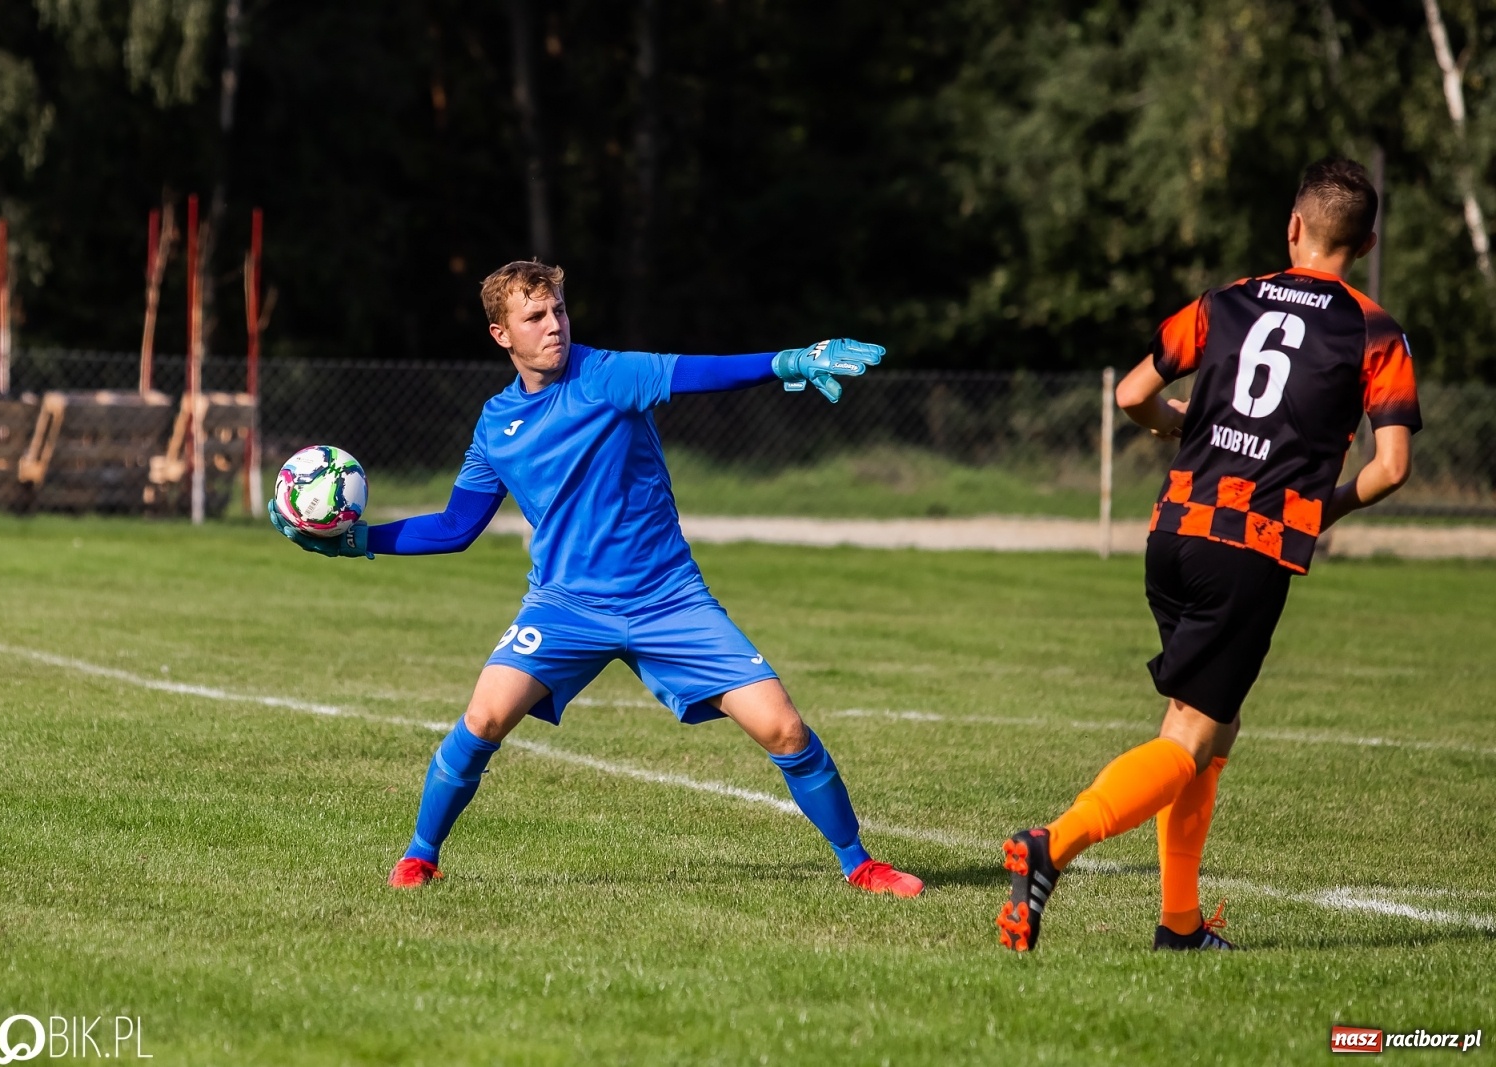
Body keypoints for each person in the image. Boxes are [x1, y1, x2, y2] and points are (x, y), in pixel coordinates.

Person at [269, 259, 924, 898]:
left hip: (668, 599)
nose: (554, 324)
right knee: (484, 717)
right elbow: (455, 526)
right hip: (565, 607)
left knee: (784, 729)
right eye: (534, 316)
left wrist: (790, 361)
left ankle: (860, 865)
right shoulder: (497, 425)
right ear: (501, 334)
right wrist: (356, 541)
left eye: (558, 310)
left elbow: (698, 373)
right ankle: (420, 856)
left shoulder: (607, 375)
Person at [996, 158, 1421, 952]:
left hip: (1174, 532)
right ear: (1365, 244)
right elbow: (1391, 466)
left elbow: (1131, 394)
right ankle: (1053, 844)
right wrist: (1323, 507)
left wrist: (1172, 422)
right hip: (1249, 547)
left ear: (1293, 226)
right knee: (1190, 738)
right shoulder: (1374, 331)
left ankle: (1181, 924)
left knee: (1210, 728)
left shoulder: (1226, 301)